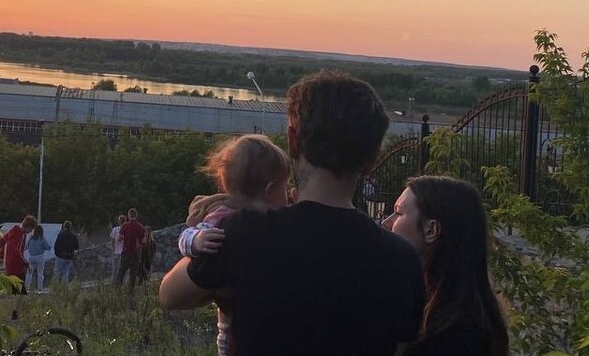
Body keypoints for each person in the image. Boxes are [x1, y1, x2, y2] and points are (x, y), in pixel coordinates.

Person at [160, 70, 425, 355]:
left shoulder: (245, 234)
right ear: (371, 160)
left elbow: (169, 295)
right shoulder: (402, 260)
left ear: (292, 140)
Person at [176, 133, 292, 356]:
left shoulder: (266, 220)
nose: (288, 196)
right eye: (285, 189)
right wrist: (197, 241)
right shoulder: (223, 218)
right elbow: (186, 235)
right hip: (232, 328)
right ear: (269, 191)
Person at [384, 176, 509, 356]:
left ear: (431, 230)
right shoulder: (471, 317)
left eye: (398, 213)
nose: (386, 223)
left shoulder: (451, 334)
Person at [0, 216, 36, 321]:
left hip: (9, 265)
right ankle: (14, 315)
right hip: (17, 267)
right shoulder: (22, 235)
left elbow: (1, 241)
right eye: (31, 229)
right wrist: (27, 264)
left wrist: (1, 257)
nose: (30, 232)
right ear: (28, 227)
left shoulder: (13, 229)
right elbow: (18, 252)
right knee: (21, 292)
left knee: (10, 289)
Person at [114, 208, 145, 290]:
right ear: (136, 215)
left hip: (126, 251)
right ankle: (131, 292)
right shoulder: (141, 227)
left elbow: (119, 238)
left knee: (121, 271)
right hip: (136, 252)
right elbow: (143, 240)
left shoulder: (125, 225)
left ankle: (117, 289)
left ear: (129, 215)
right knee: (133, 273)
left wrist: (125, 238)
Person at [25, 224, 52, 292]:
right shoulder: (42, 238)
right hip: (40, 257)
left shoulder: (30, 237)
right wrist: (49, 247)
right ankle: (40, 288)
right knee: (40, 273)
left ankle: (26, 287)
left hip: (31, 257)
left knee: (29, 273)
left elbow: (27, 246)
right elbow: (47, 247)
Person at [109, 214, 125, 278]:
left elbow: (112, 241)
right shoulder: (115, 229)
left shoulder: (124, 229)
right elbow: (112, 241)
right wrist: (112, 251)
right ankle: (115, 282)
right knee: (116, 269)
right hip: (118, 252)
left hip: (121, 252)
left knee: (119, 269)